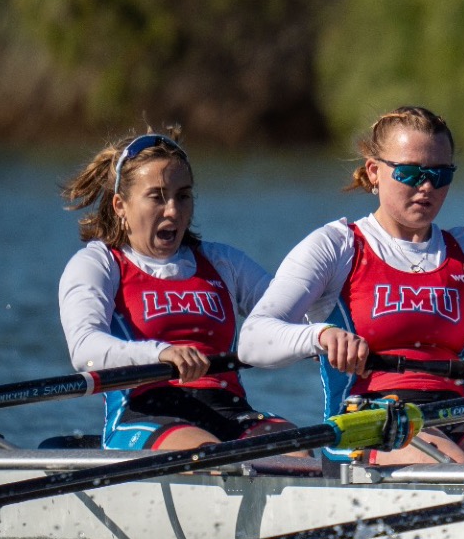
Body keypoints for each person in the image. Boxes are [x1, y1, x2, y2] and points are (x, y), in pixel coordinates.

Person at [237, 106, 464, 466]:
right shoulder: (337, 246)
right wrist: (320, 336)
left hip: (455, 414)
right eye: (411, 173)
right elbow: (252, 340)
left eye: (440, 175)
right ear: (374, 172)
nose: (426, 186)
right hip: (366, 421)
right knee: (450, 466)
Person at [58, 130, 291, 451]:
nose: (173, 211)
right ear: (120, 205)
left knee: (294, 449)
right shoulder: (99, 264)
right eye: (157, 197)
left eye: (183, 196)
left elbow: (290, 315)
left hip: (226, 407)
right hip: (145, 410)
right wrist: (160, 353)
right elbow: (84, 350)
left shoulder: (222, 262)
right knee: (206, 454)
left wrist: (325, 336)